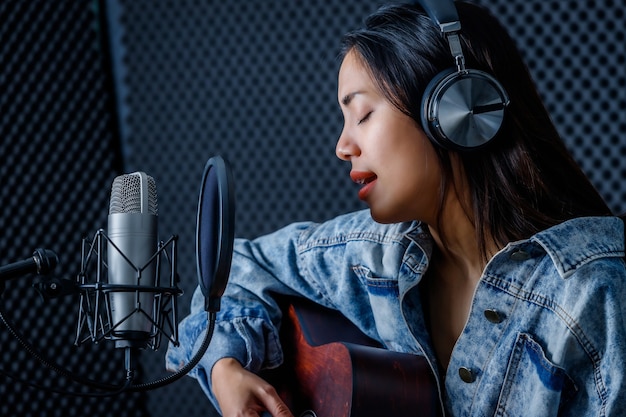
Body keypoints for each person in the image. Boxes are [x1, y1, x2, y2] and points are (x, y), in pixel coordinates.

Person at [166, 1, 626, 416]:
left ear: (454, 110)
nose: (342, 146)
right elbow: (239, 268)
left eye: (362, 114)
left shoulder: (593, 293)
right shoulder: (380, 257)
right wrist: (225, 367)